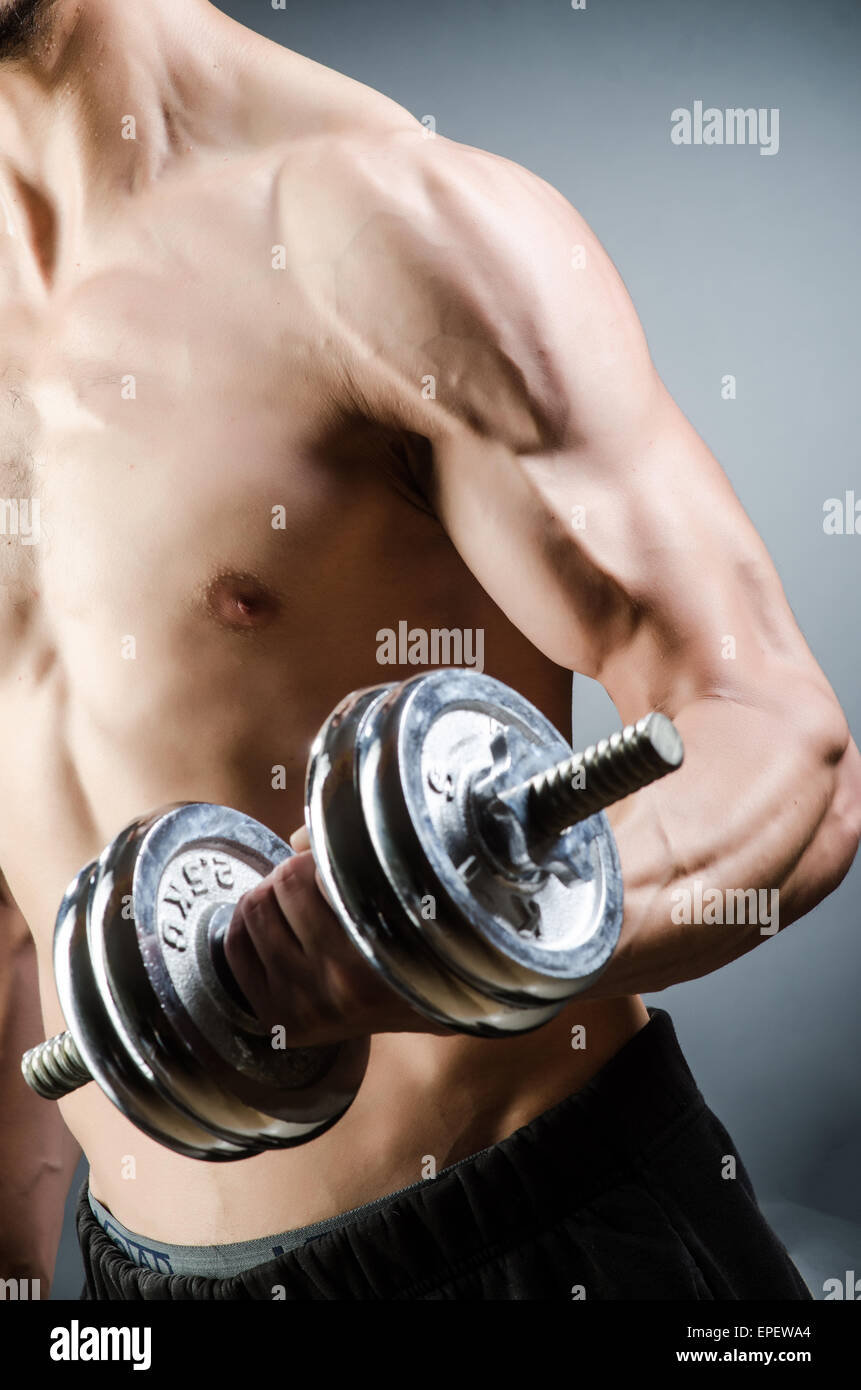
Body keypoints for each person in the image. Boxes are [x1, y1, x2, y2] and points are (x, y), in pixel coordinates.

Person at [0, 0, 858, 1300]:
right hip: (132, 1286)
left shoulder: (372, 223)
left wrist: (439, 938)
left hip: (532, 1241)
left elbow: (781, 744)